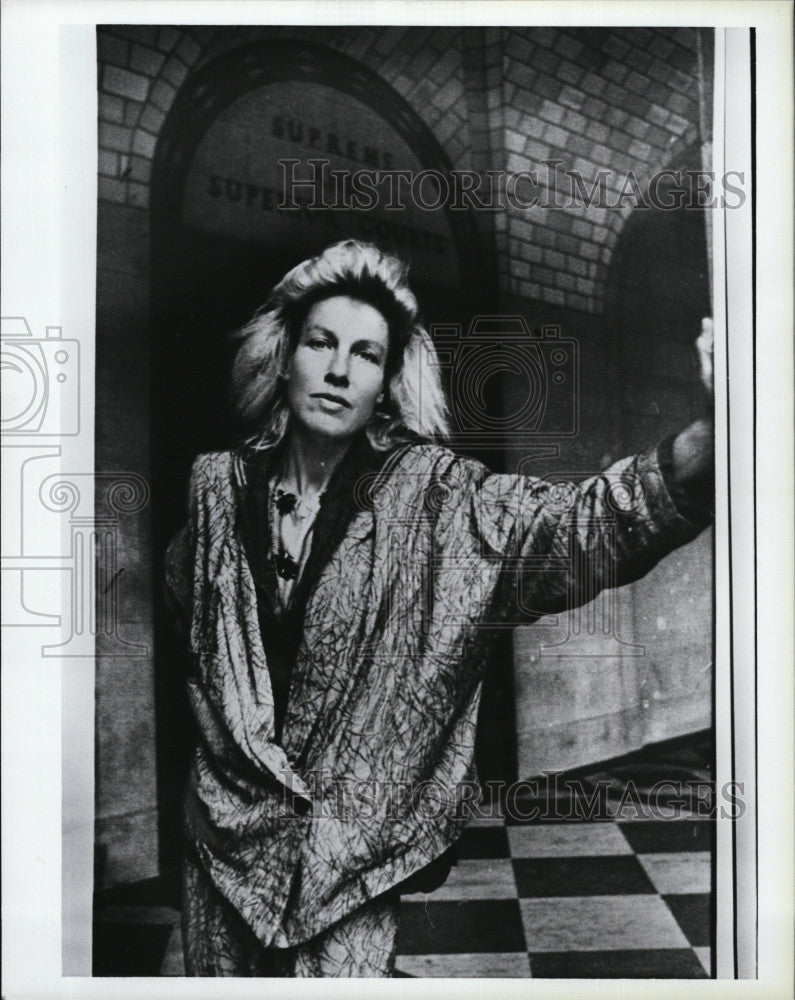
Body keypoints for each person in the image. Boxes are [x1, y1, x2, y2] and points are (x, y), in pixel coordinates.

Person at [164, 238, 714, 977]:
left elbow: (578, 527)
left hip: (344, 858)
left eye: (365, 355)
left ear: (387, 381)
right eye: (320, 343)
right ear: (283, 355)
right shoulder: (215, 491)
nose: (337, 370)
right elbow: (193, 630)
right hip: (222, 849)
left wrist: (709, 436)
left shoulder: (437, 498)